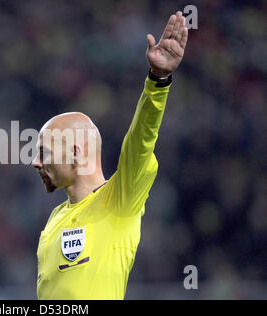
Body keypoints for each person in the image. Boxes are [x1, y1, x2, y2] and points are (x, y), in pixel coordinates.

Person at [32, 11, 188, 299]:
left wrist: (158, 81)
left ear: (76, 152)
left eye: (45, 152)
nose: (36, 162)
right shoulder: (55, 217)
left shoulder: (120, 201)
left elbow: (140, 141)